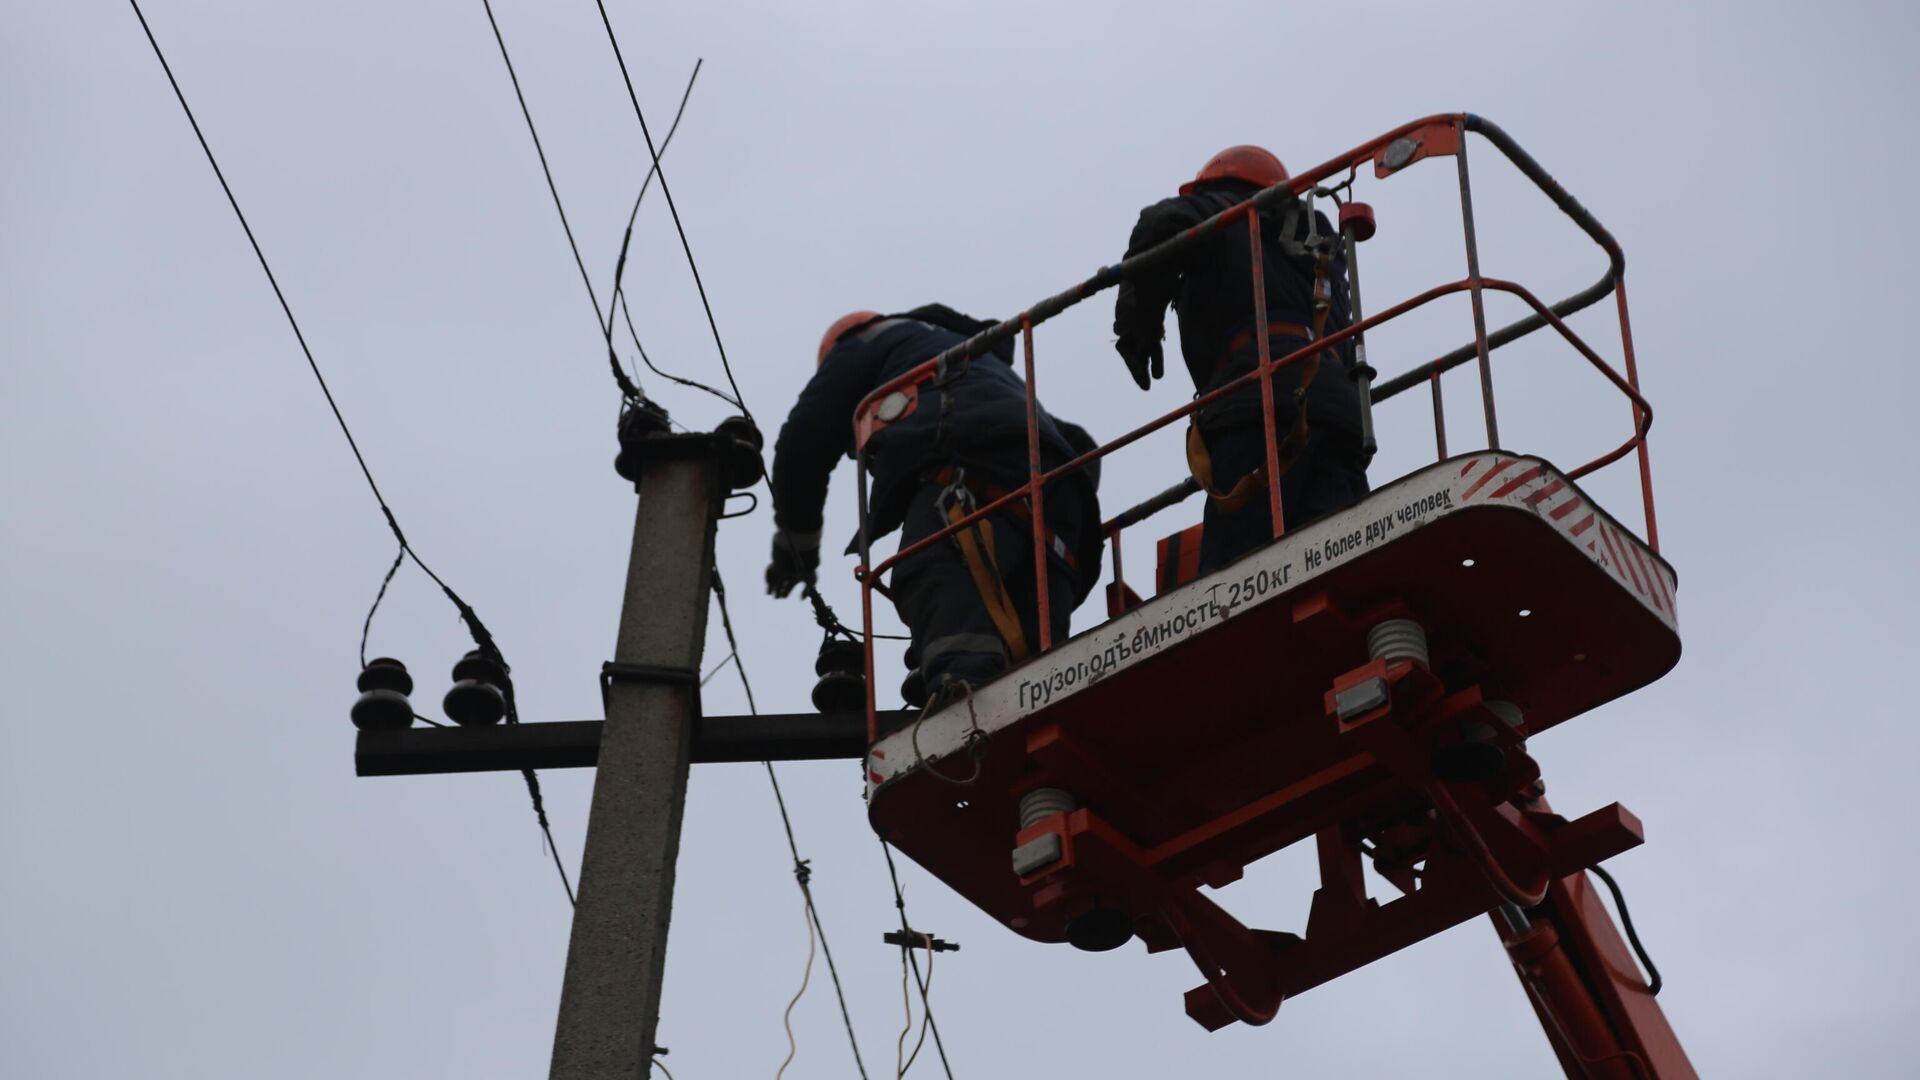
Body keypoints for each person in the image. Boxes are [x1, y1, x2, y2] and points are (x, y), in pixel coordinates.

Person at [766, 303, 1103, 715]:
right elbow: (1079, 442)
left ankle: (963, 704)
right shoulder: (981, 364)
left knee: (928, 568)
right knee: (1036, 668)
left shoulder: (863, 341)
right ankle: (1040, 706)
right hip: (1060, 509)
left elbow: (804, 441)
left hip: (966, 475)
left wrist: (795, 546)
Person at [1113, 144, 1372, 573]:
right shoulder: (1319, 242)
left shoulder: (1224, 210)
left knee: (1234, 579)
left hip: (1255, 406)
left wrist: (1137, 322)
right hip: (1335, 412)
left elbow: (1160, 223)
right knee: (1345, 559)